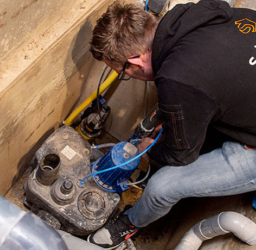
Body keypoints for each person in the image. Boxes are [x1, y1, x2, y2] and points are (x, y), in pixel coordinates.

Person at [87, 0, 256, 248]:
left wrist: (151, 149)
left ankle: (131, 223)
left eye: (123, 72)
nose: (128, 77)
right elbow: (212, 80)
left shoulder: (178, 79)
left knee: (161, 187)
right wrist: (175, 114)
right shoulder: (197, 14)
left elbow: (181, 155)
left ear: (135, 62)